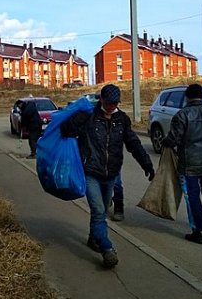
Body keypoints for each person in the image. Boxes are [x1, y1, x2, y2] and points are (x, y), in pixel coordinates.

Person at [61, 84, 155, 268]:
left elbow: (133, 143)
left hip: (111, 173)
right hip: (90, 172)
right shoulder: (89, 117)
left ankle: (93, 238)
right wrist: (75, 116)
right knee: (98, 211)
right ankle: (107, 248)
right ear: (102, 99)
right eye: (109, 102)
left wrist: (147, 164)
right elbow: (66, 131)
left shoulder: (122, 119)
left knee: (102, 210)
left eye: (116, 103)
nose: (112, 106)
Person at [161, 83, 202, 244]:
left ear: (187, 96)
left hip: (189, 164)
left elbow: (174, 139)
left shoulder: (182, 115)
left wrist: (165, 142)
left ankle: (198, 231)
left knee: (193, 198)